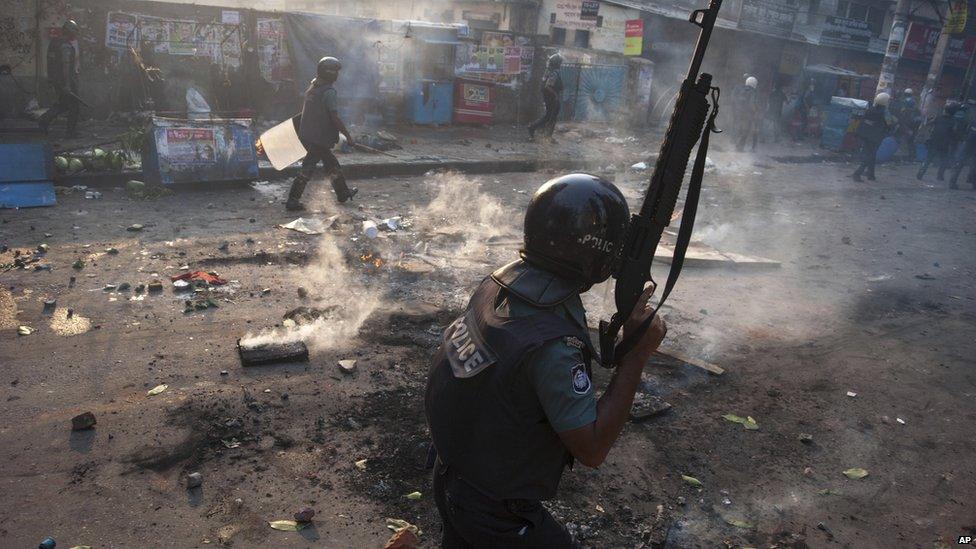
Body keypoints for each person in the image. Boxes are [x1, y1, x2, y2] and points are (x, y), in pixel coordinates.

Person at [425, 173, 668, 548]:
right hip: (495, 510)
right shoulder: (553, 344)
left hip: (452, 472)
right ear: (600, 254)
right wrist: (635, 356)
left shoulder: (500, 283)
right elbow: (591, 449)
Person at [286, 56, 358, 211]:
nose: (338, 75)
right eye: (336, 72)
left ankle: (343, 193)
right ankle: (292, 200)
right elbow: (334, 118)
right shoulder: (329, 92)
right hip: (318, 137)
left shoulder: (313, 87)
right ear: (330, 73)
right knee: (308, 168)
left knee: (331, 164)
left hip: (308, 134)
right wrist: (348, 136)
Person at [39, 20, 82, 136]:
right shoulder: (66, 45)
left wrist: (52, 80)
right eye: (75, 31)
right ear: (71, 31)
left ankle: (44, 120)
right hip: (65, 81)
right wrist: (68, 85)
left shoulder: (54, 43)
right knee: (74, 106)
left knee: (63, 104)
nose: (76, 34)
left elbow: (51, 63)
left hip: (56, 81)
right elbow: (66, 66)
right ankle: (70, 132)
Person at [917, 102, 962, 182]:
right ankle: (940, 175)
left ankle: (921, 172)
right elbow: (955, 134)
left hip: (933, 141)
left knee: (928, 158)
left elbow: (928, 124)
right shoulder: (953, 122)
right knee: (944, 160)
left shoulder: (938, 117)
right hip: (944, 144)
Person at [852, 92, 891, 182]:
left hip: (865, 135)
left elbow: (864, 121)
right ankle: (857, 173)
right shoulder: (885, 112)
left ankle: (871, 174)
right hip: (875, 137)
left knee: (871, 155)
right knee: (870, 155)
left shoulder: (871, 109)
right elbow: (889, 124)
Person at [528, 53, 564, 142]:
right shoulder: (554, 73)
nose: (560, 65)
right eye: (559, 63)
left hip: (548, 97)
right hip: (552, 97)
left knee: (550, 116)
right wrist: (555, 95)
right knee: (550, 116)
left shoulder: (548, 71)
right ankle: (535, 129)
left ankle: (543, 133)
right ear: (556, 63)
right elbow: (548, 86)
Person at [948, 120, 976, 190]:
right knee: (973, 167)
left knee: (959, 165)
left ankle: (952, 183)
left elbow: (965, 133)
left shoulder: (972, 123)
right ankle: (974, 184)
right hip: (969, 147)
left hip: (966, 146)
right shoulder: (972, 123)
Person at [736, 76, 760, 152]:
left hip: (740, 113)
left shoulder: (742, 90)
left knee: (740, 129)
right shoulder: (753, 92)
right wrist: (756, 111)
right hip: (748, 115)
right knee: (746, 131)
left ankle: (737, 146)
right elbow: (752, 104)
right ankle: (740, 148)